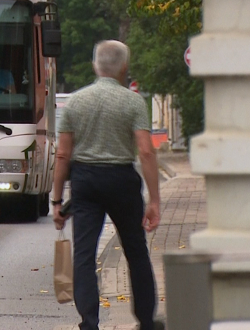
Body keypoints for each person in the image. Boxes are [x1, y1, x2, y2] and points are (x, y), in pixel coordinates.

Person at [52, 40, 162, 330]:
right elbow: (146, 151)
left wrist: (56, 201)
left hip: (85, 182)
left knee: (85, 254)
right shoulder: (133, 102)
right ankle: (147, 321)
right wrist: (154, 200)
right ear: (124, 67)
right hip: (122, 181)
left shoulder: (75, 101)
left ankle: (89, 322)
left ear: (95, 66)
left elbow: (63, 153)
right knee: (136, 251)